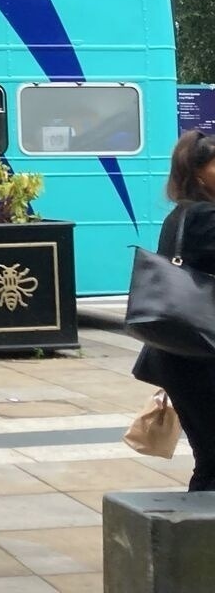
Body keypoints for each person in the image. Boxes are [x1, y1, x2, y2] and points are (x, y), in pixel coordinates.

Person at [133, 130, 215, 491]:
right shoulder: (204, 218)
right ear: (198, 173)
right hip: (203, 352)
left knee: (210, 457)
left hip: (183, 350)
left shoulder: (181, 216)